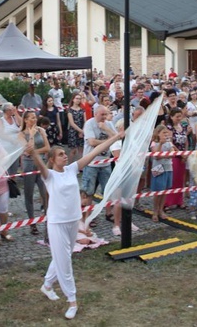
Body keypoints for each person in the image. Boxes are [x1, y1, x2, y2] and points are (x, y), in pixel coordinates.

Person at [31, 128, 122, 321]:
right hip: (56, 223)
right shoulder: (49, 176)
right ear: (52, 160)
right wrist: (31, 150)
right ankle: (72, 300)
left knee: (62, 256)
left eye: (65, 153)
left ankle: (47, 285)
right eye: (61, 155)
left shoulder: (72, 169)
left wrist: (116, 137)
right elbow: (38, 163)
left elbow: (95, 152)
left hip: (73, 220)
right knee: (64, 261)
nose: (65, 156)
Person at [18, 111, 50, 235]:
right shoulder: (21, 134)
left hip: (41, 164)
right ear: (25, 120)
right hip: (28, 165)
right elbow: (27, 150)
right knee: (29, 194)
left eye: (35, 117)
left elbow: (47, 147)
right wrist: (31, 135)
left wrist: (34, 152)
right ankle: (32, 223)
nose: (34, 120)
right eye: (32, 118)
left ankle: (48, 218)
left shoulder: (41, 130)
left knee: (45, 192)